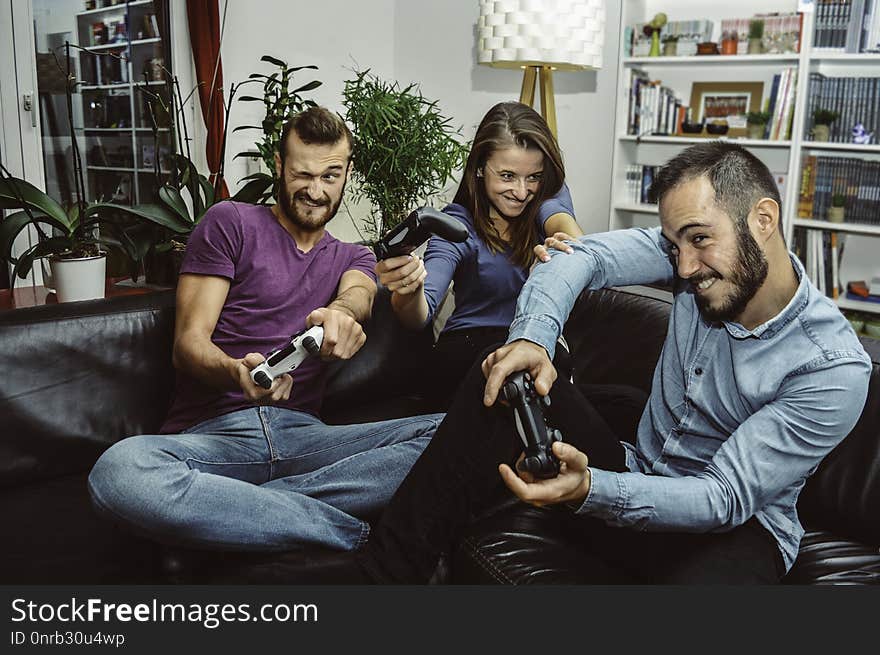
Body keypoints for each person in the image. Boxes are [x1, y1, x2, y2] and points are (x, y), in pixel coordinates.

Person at [348, 141, 872, 584]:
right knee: (505, 370)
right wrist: (534, 338)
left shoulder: (831, 368)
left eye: (700, 239)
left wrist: (592, 490)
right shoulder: (688, 254)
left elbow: (722, 497)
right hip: (634, 468)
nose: (685, 266)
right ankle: (378, 583)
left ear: (763, 219)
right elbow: (582, 257)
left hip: (734, 531)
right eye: (674, 244)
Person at [87, 107, 443, 553]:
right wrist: (236, 372)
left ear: (348, 171)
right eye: (302, 174)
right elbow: (188, 344)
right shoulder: (230, 222)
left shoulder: (354, 257)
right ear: (278, 165)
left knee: (458, 431)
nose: (316, 191)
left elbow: (356, 296)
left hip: (305, 442)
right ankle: (352, 535)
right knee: (119, 472)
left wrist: (340, 314)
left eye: (331, 176)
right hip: (214, 440)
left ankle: (245, 511)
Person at [375, 101, 583, 410]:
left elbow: (558, 217)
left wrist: (574, 246)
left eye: (534, 177)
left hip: (533, 343)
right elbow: (419, 314)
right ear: (481, 168)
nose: (522, 191)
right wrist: (409, 287)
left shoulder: (545, 199)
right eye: (508, 176)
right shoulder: (457, 222)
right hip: (467, 350)